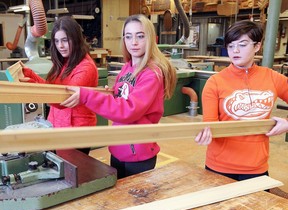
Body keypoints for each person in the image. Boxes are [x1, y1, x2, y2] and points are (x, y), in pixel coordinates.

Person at [60, 14, 177, 179]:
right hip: (119, 146)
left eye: (140, 36)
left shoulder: (151, 74)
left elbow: (128, 110)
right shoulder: (127, 67)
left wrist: (87, 96)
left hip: (138, 153)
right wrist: (111, 92)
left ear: (151, 38)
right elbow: (122, 95)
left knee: (135, 200)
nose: (133, 42)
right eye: (128, 37)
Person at [194, 20, 288, 181]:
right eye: (230, 46)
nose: (235, 50)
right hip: (219, 165)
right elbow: (210, 125)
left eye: (242, 45)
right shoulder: (215, 82)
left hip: (256, 166)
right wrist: (205, 133)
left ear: (257, 46)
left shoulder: (272, 77)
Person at [20, 16, 99, 155]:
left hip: (75, 134)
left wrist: (34, 87)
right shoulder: (65, 61)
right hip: (57, 129)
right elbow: (51, 88)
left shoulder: (86, 68)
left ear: (76, 39)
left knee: (72, 173)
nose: (60, 46)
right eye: (56, 41)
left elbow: (64, 99)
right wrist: (30, 75)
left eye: (65, 40)